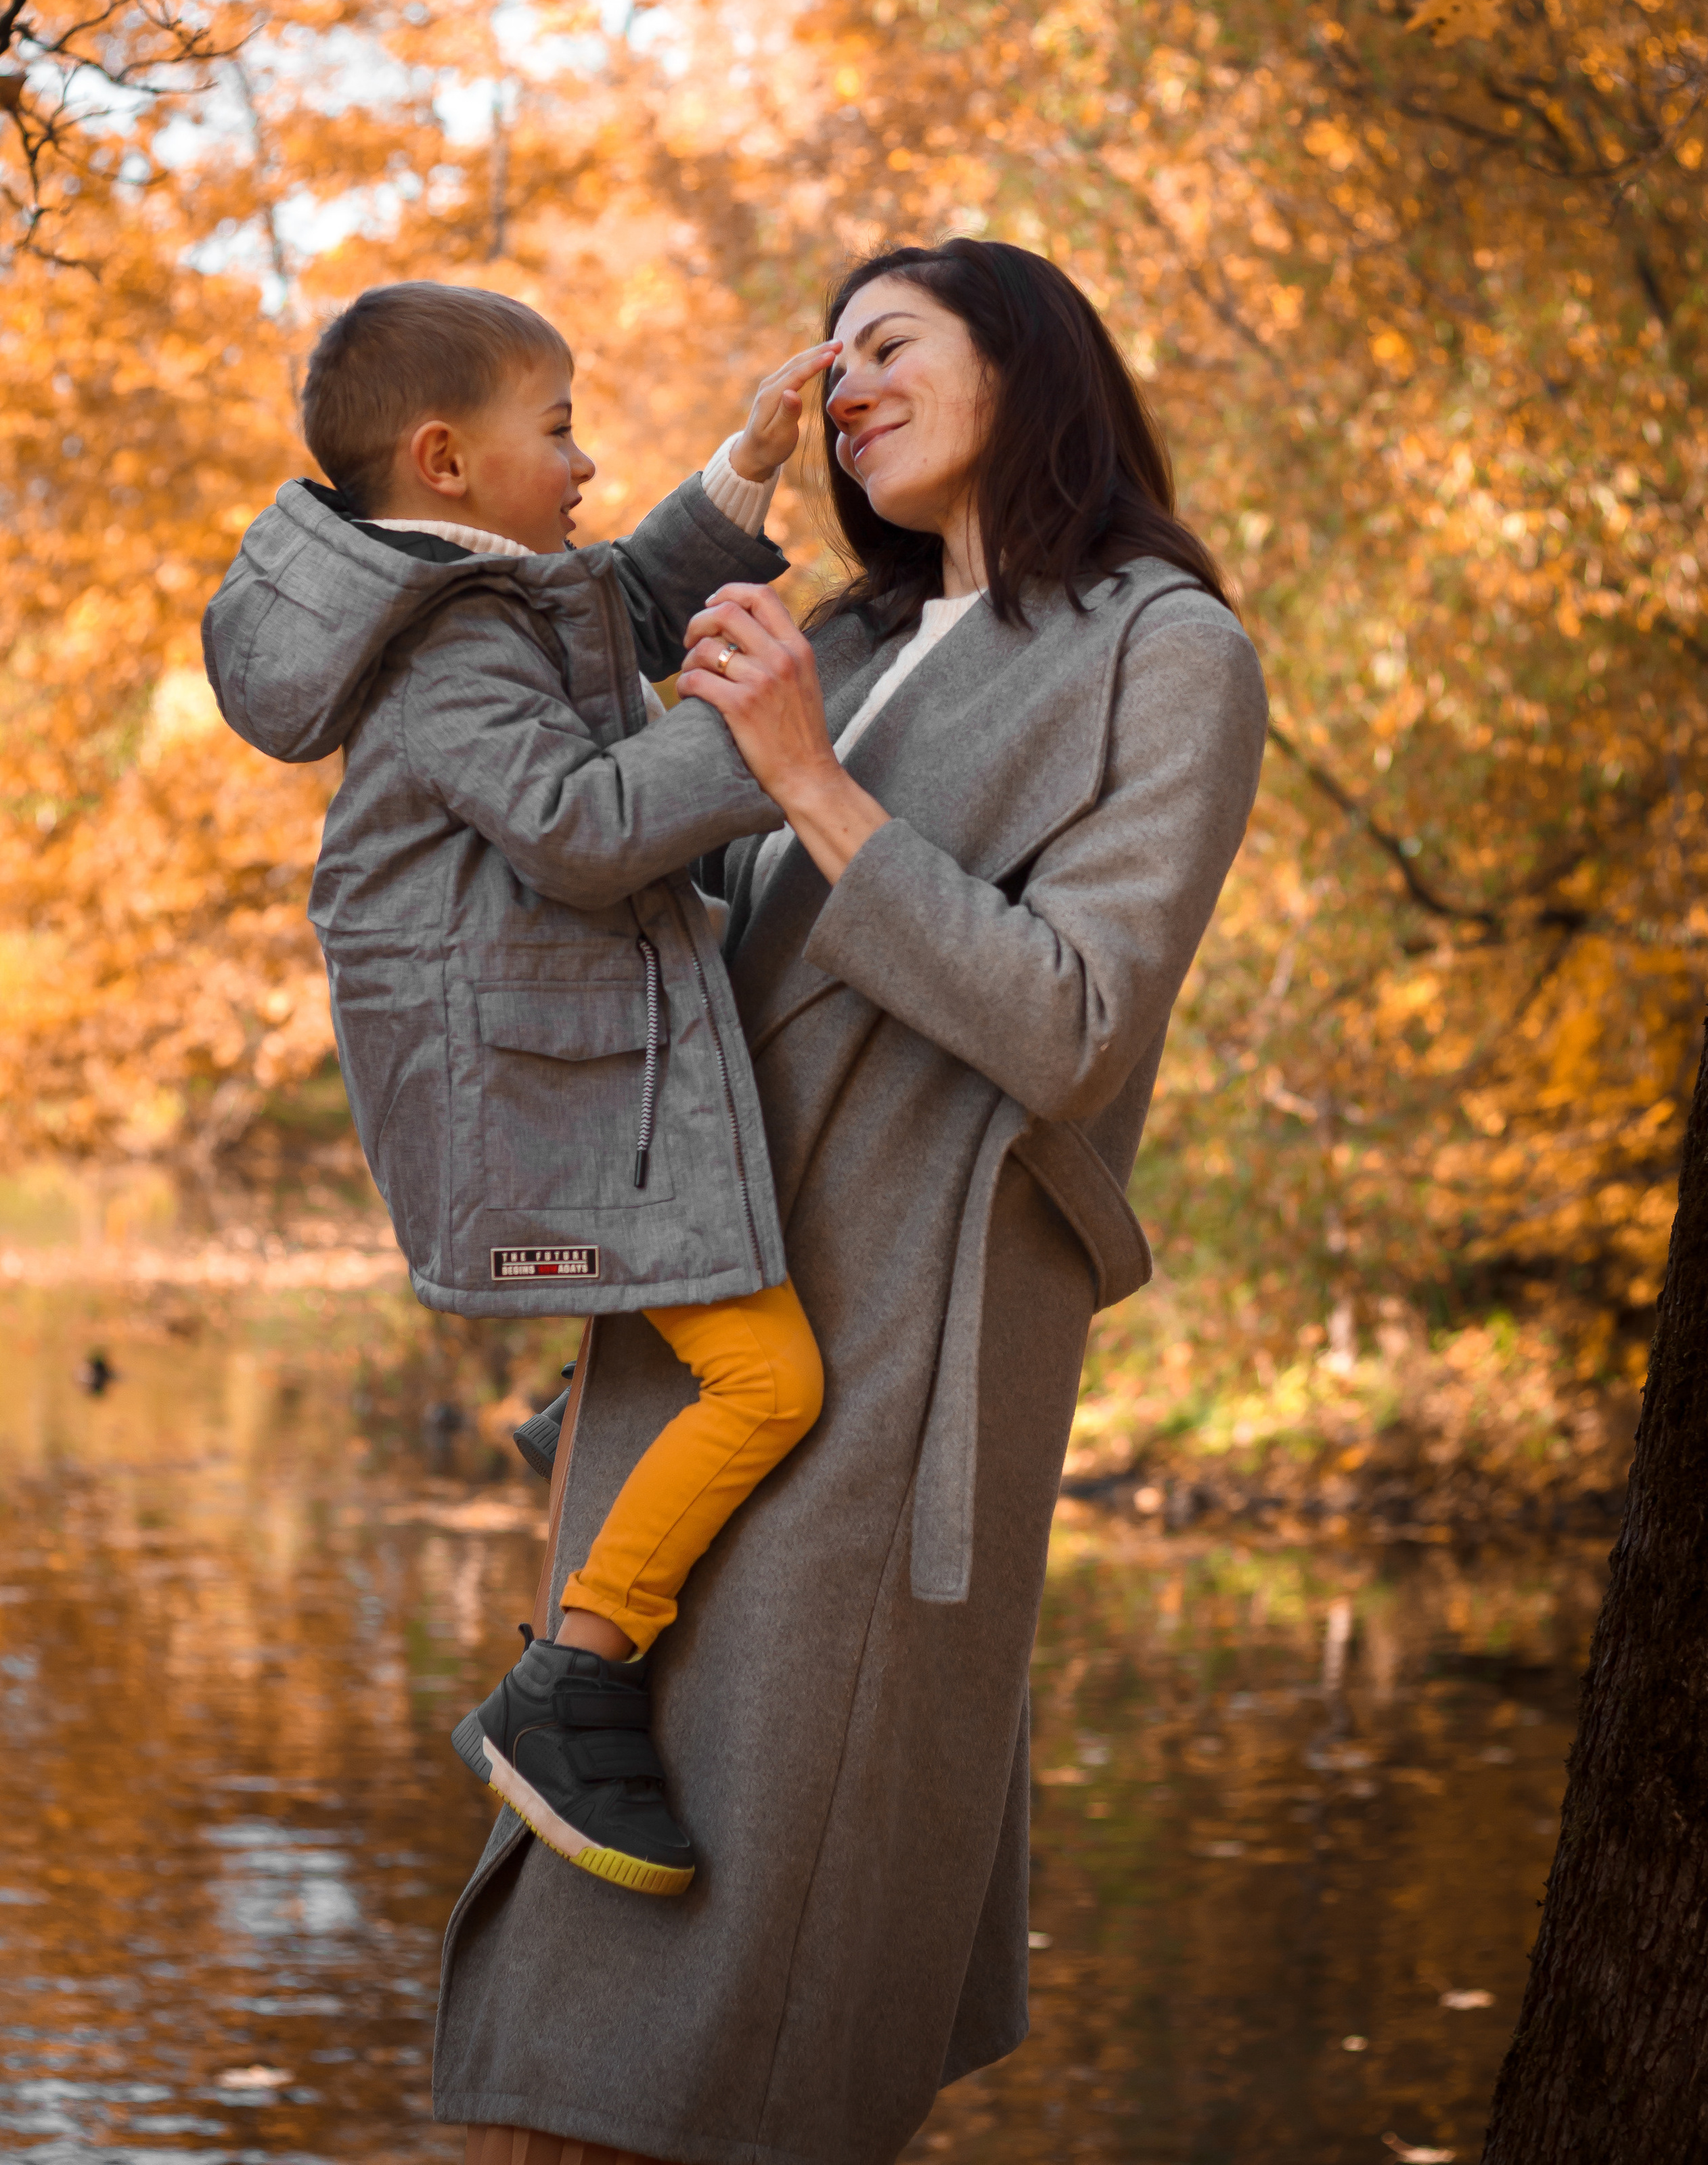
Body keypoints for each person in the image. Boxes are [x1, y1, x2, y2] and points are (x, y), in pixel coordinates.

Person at [437, 239, 1269, 2165]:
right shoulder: (868, 645)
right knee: (570, 2016)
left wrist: (805, 779)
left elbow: (1069, 1026)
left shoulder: (1165, 647)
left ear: (1033, 367)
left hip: (902, 1343)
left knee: (752, 2011)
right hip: (713, 1339)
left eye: (895, 346)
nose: (852, 385)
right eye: (838, 359)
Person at [201, 280, 838, 1900]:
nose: (581, 456)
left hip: (569, 1073)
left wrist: (747, 465)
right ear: (446, 460)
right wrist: (761, 744)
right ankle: (571, 1681)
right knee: (767, 1385)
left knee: (711, 1349)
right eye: (553, 428)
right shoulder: (443, 655)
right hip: (531, 1093)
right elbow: (574, 819)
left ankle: (589, 1413)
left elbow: (611, 603)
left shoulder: (470, 599)